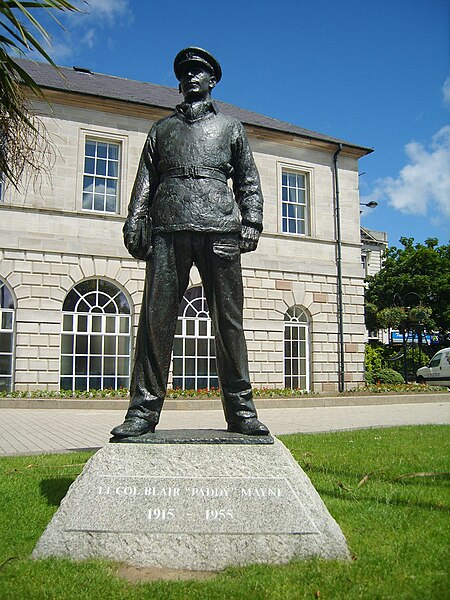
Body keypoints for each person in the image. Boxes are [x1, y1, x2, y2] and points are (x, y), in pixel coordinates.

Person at [111, 47, 269, 438]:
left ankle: (242, 411)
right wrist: (134, 221)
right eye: (185, 73)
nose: (191, 78)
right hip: (168, 228)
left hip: (220, 228)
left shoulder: (231, 127)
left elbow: (248, 180)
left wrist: (252, 221)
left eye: (199, 72)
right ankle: (142, 412)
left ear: (212, 80)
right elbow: (144, 181)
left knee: (228, 321)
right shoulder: (162, 129)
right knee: (155, 320)